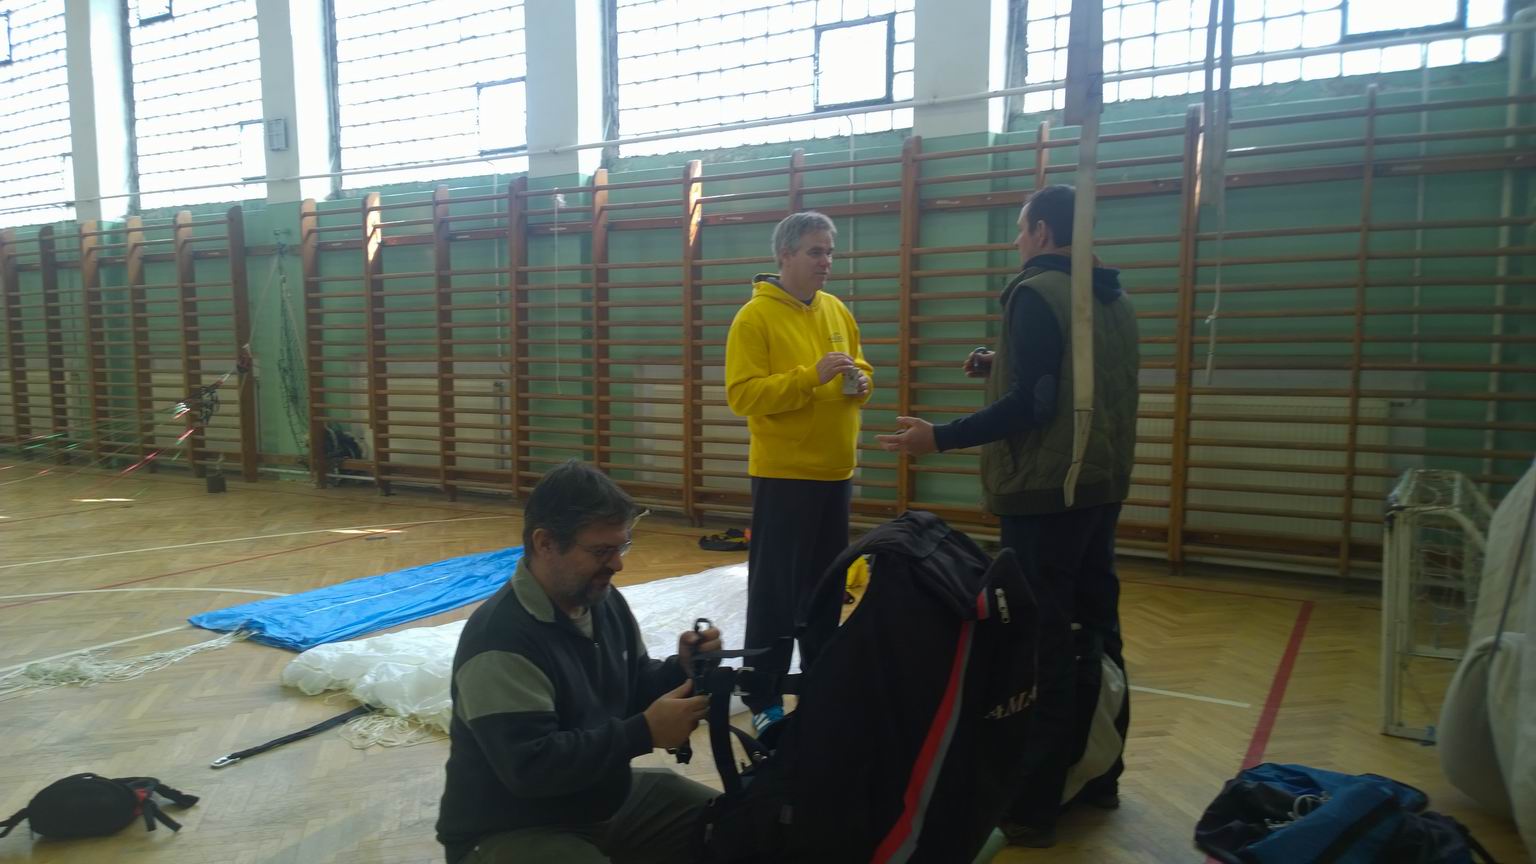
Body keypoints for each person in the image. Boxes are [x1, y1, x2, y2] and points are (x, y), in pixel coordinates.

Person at [877, 184, 1139, 848]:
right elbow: (1080, 378)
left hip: (1047, 495)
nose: (1018, 241)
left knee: (1044, 643)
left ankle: (1033, 805)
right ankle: (1101, 775)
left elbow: (1035, 405)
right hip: (1100, 485)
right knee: (1098, 627)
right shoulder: (1111, 296)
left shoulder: (1035, 291)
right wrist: (1002, 366)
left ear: (1044, 232)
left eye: (1022, 230)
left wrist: (939, 436)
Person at [436, 460, 724, 864]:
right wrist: (642, 732)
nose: (617, 563)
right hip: (508, 830)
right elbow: (532, 769)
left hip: (595, 804)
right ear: (545, 543)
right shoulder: (499, 641)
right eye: (601, 551)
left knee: (732, 822)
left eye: (622, 546)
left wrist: (683, 669)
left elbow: (632, 687)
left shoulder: (602, 601)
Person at [724, 210, 873, 733]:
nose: (826, 261)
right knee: (775, 594)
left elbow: (860, 366)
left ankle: (820, 684)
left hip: (835, 472)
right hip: (784, 474)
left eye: (829, 251)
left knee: (826, 589)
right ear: (785, 255)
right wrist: (810, 377)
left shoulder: (837, 310)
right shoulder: (754, 318)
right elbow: (743, 395)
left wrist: (861, 381)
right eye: (815, 251)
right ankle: (763, 697)